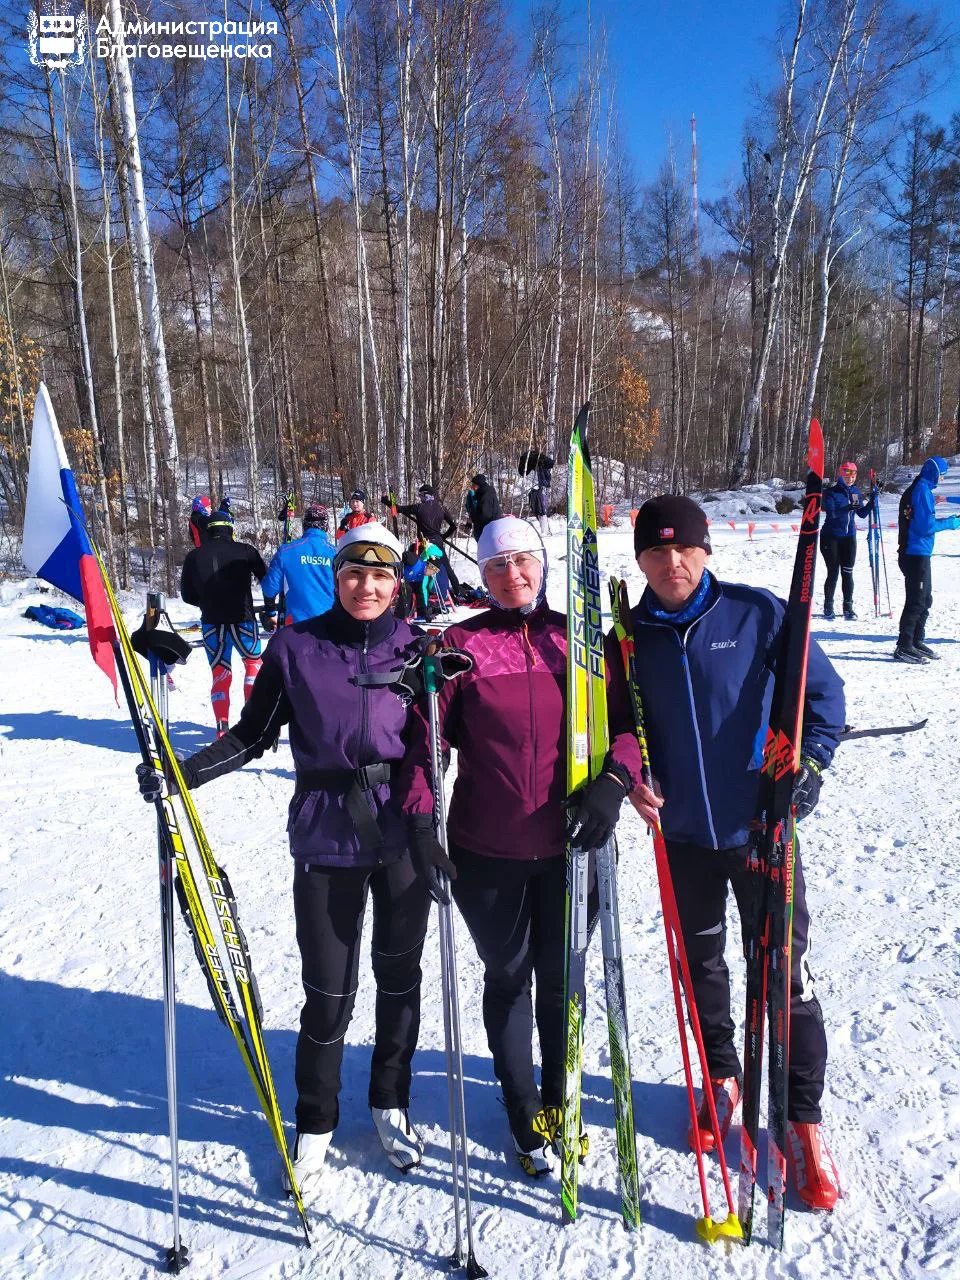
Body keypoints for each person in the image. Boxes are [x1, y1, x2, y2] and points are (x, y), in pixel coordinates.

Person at [144, 524, 431, 1195]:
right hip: (326, 834)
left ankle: (390, 1102)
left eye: (381, 575)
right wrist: (183, 772)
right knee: (328, 992)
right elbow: (251, 736)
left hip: (402, 835)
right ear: (336, 576)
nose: (366, 586)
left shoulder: (418, 649)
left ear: (397, 583)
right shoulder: (296, 646)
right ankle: (317, 1120)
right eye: (354, 573)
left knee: (399, 978)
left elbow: (440, 743)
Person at [608, 494, 846, 1211]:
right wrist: (632, 777)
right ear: (641, 560)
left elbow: (823, 698)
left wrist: (808, 767)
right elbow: (619, 726)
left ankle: (801, 1121)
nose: (671, 563)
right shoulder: (629, 639)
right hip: (683, 838)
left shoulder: (757, 613)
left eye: (683, 549)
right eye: (656, 552)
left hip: (761, 831)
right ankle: (723, 1076)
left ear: (705, 550)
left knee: (783, 976)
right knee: (702, 968)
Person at [396, 516, 640, 1177]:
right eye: (497, 565)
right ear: (482, 574)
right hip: (488, 850)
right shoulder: (461, 646)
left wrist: (614, 783)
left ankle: (563, 1099)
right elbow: (426, 745)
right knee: (508, 975)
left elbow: (628, 727)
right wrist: (421, 822)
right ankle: (524, 1109)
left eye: (523, 560)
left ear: (543, 564)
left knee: (563, 979)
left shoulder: (581, 642)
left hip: (575, 845)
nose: (513, 574)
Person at [180, 510, 268, 739]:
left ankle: (222, 725)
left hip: (212, 622)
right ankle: (253, 722)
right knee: (253, 666)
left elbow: (187, 596)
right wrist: (269, 609)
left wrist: (206, 601)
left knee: (220, 672)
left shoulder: (194, 556)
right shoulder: (245, 550)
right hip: (243, 619)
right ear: (230, 528)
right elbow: (267, 581)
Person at [895, 456, 960, 664]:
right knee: (916, 600)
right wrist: (950, 523)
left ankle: (916, 640)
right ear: (934, 473)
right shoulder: (921, 491)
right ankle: (904, 645)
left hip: (921, 553)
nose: (943, 479)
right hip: (914, 553)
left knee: (925, 599)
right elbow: (925, 527)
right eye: (942, 475)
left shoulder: (923, 489)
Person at [261, 504, 335, 626]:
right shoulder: (336, 553)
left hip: (296, 626)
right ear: (326, 526)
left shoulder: (286, 551)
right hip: (330, 624)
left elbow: (269, 588)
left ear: (304, 525)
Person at [819, 461, 874, 619]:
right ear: (841, 475)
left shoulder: (855, 492)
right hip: (831, 537)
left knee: (848, 573)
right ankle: (828, 605)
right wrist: (847, 508)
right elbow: (832, 514)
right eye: (847, 475)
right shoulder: (831, 492)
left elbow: (862, 514)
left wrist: (872, 501)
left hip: (849, 538)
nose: (850, 478)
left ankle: (848, 608)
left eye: (853, 475)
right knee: (833, 572)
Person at [383, 484, 461, 591]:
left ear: (425, 495)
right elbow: (453, 526)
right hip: (437, 543)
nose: (420, 498)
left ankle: (416, 591)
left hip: (424, 544)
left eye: (420, 495)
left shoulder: (419, 507)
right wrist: (443, 536)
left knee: (419, 568)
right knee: (446, 567)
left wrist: (385, 500)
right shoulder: (441, 508)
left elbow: (398, 509)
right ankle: (457, 591)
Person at [464, 474, 501, 542]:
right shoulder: (485, 494)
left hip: (488, 532)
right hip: (488, 530)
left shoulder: (486, 496)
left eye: (473, 485)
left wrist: (472, 519)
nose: (472, 487)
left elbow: (485, 515)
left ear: (478, 485)